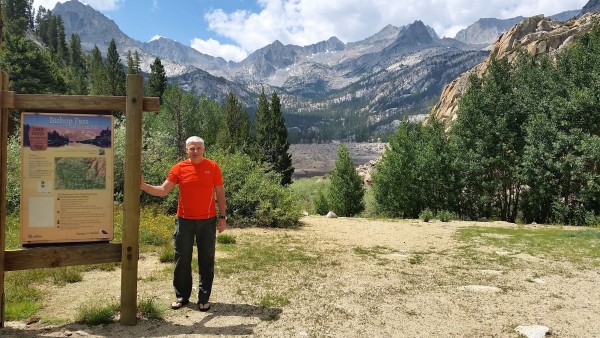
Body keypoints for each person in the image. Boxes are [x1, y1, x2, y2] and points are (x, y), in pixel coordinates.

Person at [140, 136, 226, 311]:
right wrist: (142, 185)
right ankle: (182, 296)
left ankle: (203, 298)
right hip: (184, 220)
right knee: (181, 259)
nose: (195, 151)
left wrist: (222, 217)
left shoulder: (213, 167)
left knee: (206, 259)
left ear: (204, 149)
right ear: (186, 150)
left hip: (207, 220)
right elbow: (163, 190)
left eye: (198, 148)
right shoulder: (179, 168)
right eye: (191, 148)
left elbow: (220, 193)